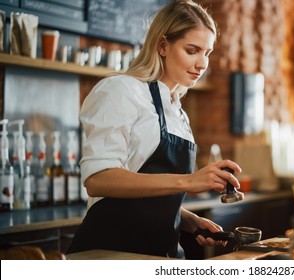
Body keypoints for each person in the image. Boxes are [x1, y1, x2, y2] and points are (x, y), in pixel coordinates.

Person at [66, 0, 241, 259]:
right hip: (112, 253)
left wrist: (185, 219)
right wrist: (190, 181)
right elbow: (98, 180)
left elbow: (145, 197)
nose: (202, 64)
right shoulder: (121, 90)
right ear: (162, 45)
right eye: (192, 50)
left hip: (162, 256)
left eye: (207, 52)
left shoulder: (178, 111)